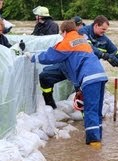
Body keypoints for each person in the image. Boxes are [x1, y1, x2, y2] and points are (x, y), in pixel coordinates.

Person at [31, 20, 108, 148]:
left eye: (62, 33)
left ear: (65, 32)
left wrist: (32, 57)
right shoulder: (82, 40)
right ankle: (98, 137)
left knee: (89, 111)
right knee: (96, 110)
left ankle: (94, 146)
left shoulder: (67, 42)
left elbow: (51, 56)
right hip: (100, 76)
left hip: (89, 78)